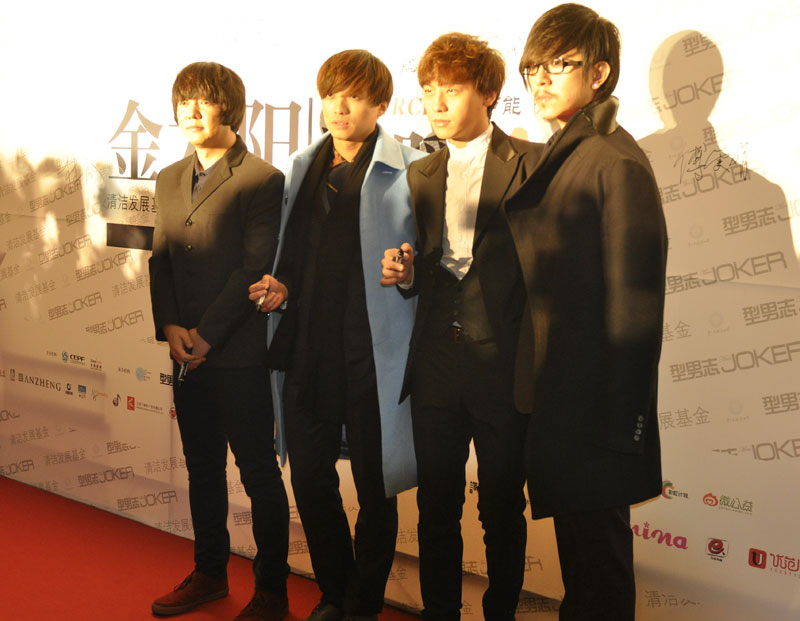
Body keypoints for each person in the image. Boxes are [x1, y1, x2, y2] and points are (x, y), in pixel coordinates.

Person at [504, 4, 668, 619]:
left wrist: (622, 427)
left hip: (596, 411)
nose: (541, 80)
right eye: (533, 68)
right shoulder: (569, 152)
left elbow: (636, 304)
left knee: (598, 570)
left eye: (560, 65)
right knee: (582, 566)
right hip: (561, 398)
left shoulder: (614, 161)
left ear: (599, 73)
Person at [247, 50, 422, 621]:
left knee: (377, 488)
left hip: (373, 354)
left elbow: (432, 262)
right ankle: (335, 590)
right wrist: (283, 287)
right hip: (307, 348)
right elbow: (298, 259)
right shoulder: (301, 165)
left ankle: (362, 604)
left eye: (354, 96)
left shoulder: (411, 169)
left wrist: (410, 272)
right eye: (330, 94)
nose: (339, 107)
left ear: (381, 104)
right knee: (311, 478)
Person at [380, 33, 538, 621]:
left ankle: (500, 613)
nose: (436, 103)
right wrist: (404, 274)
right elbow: (423, 266)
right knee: (436, 506)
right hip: (437, 367)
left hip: (502, 367)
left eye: (451, 90)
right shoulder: (419, 173)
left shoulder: (531, 164)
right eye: (427, 91)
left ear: (490, 93)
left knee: (501, 506)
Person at [148, 61, 289, 621]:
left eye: (203, 101)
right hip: (186, 353)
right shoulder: (167, 177)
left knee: (257, 473)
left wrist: (205, 334)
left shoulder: (261, 178)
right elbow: (159, 259)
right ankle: (209, 573)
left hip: (238, 354)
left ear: (228, 107)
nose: (191, 112)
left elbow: (252, 268)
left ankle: (273, 591)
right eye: (183, 101)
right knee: (201, 467)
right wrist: (170, 327)